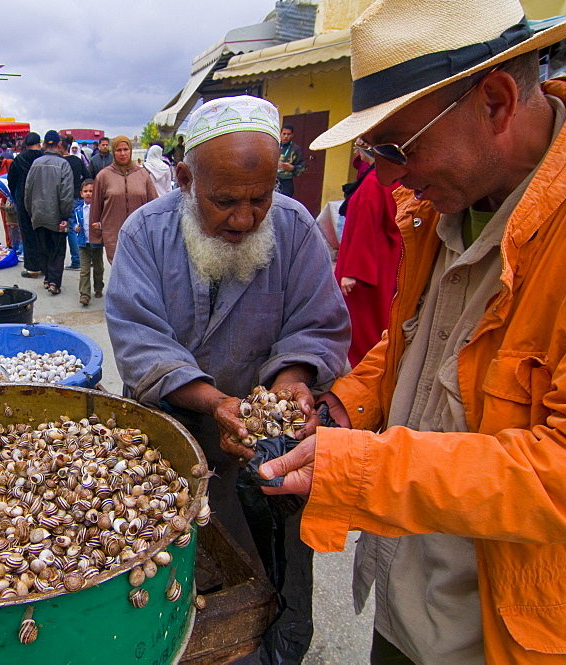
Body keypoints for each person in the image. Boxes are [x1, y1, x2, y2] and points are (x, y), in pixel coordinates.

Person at [255, 1, 566, 663]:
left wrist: (362, 468)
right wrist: (341, 406)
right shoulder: (448, 201)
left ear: (496, 102)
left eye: (394, 147)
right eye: (371, 150)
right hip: (410, 603)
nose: (383, 176)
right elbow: (424, 340)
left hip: (509, 633)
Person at [106, 95, 349, 665]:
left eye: (259, 198)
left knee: (274, 565)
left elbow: (319, 320)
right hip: (176, 431)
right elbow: (139, 339)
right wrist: (214, 400)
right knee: (175, 569)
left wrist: (292, 378)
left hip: (267, 439)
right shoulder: (146, 233)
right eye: (224, 201)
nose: (244, 219)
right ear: (186, 179)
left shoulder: (292, 228)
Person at [334, 152, 401, 367]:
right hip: (382, 260)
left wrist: (352, 271)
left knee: (364, 326)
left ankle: (364, 373)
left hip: (367, 266)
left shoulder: (373, 183)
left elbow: (365, 226)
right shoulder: (383, 178)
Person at [90, 135, 157, 262]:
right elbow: (95, 207)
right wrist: (96, 235)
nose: (122, 153)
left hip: (140, 233)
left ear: (130, 151)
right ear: (113, 152)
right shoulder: (103, 176)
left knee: (139, 271)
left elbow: (154, 204)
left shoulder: (142, 175)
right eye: (118, 150)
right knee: (120, 270)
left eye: (126, 149)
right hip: (113, 234)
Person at [24, 130, 75, 295]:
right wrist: (65, 216)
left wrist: (30, 211)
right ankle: (54, 282)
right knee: (57, 250)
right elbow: (67, 194)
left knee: (43, 248)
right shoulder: (63, 165)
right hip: (56, 215)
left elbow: (28, 190)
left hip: (38, 214)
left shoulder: (35, 164)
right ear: (59, 145)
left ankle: (47, 279)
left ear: (44, 144)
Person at [7, 132, 45, 278]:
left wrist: (17, 196)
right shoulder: (44, 158)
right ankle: (45, 266)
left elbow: (12, 181)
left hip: (24, 198)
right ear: (39, 143)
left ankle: (32, 268)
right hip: (43, 199)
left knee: (28, 233)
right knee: (43, 233)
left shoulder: (19, 160)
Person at [74, 178, 103, 306]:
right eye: (85, 191)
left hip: (96, 242)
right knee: (84, 270)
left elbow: (105, 221)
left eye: (91, 191)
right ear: (81, 193)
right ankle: (84, 294)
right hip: (83, 243)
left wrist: (100, 225)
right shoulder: (78, 209)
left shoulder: (99, 209)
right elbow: (75, 222)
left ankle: (98, 287)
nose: (88, 193)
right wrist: (76, 228)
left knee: (98, 268)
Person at [61, 134, 87, 270]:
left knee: (71, 228)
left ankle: (76, 261)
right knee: (80, 226)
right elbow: (88, 177)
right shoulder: (77, 161)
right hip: (78, 196)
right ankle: (85, 259)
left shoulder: (60, 162)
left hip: (66, 197)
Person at [276, 125, 306, 198]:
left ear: (292, 135)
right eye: (284, 134)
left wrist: (292, 168)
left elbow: (303, 168)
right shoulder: (274, 145)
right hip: (272, 181)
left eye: (288, 134)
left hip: (286, 182)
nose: (286, 136)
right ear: (280, 134)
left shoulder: (296, 149)